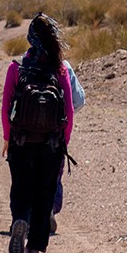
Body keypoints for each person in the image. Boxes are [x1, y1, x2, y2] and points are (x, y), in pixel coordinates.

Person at [2, 13, 75, 253]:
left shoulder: (17, 67)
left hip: (21, 140)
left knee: (21, 188)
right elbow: (69, 110)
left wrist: (6, 138)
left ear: (31, 37)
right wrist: (63, 139)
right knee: (45, 194)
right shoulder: (60, 68)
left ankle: (20, 219)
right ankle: (34, 249)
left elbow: (5, 106)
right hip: (51, 143)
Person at [50, 63, 84, 234]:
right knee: (54, 173)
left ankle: (27, 214)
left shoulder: (23, 62)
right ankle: (50, 209)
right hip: (55, 133)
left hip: (27, 132)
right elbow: (79, 101)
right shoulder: (63, 67)